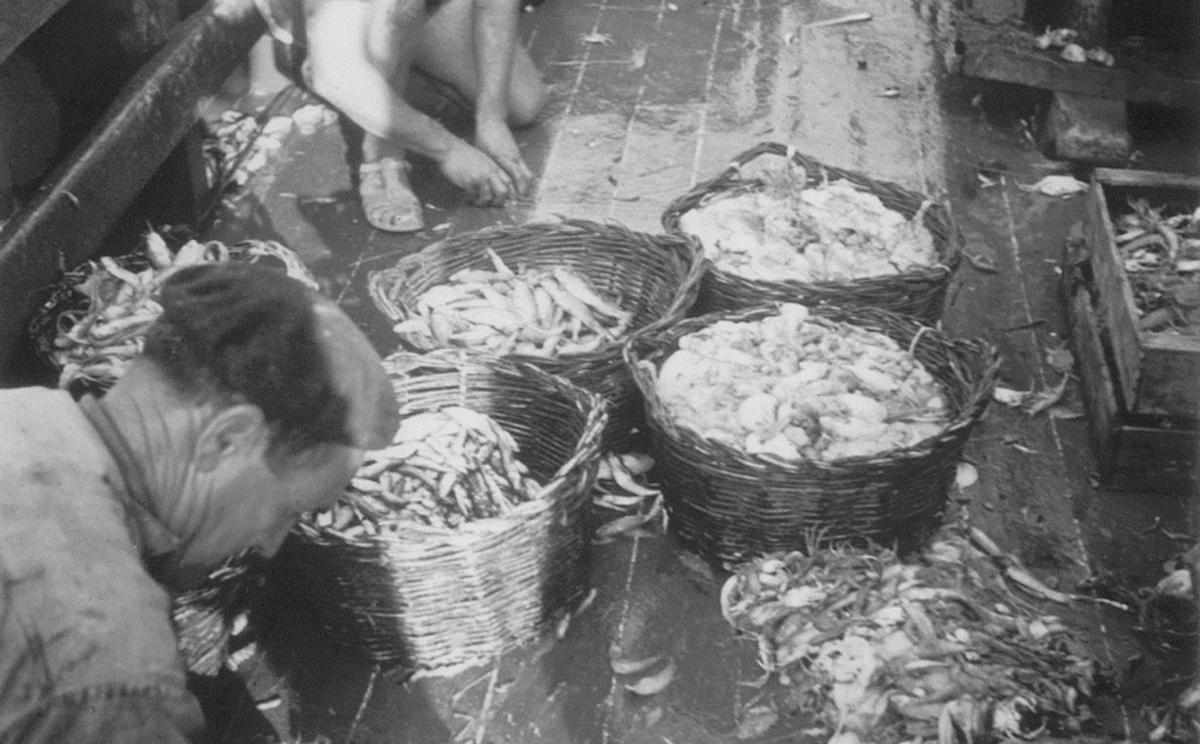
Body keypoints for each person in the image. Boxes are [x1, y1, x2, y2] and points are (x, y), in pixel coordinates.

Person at [0, 262, 400, 742]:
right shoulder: (111, 672)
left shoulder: (23, 409)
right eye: (288, 510)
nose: (271, 545)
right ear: (226, 439)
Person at [256, 0, 549, 232]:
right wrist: (448, 149)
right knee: (397, 11)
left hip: (417, 10)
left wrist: (491, 115)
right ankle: (382, 155)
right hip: (329, 35)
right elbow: (330, 75)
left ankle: (396, 68)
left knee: (522, 102)